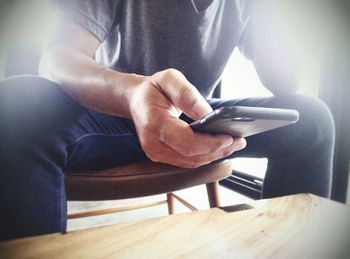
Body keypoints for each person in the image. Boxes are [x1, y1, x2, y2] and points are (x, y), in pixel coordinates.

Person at [0, 0, 335, 240]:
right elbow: (60, 58)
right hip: (114, 112)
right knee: (16, 104)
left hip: (198, 116)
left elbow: (285, 83)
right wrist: (134, 94)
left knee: (313, 121)